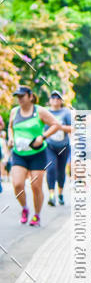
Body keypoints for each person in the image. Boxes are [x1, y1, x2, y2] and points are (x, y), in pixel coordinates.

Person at [7, 85, 60, 226]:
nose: (20, 100)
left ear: (30, 96)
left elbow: (56, 125)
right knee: (17, 184)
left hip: (37, 154)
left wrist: (42, 137)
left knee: (35, 186)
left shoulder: (39, 111)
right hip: (19, 153)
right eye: (17, 97)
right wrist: (10, 138)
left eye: (22, 96)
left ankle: (36, 215)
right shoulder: (14, 112)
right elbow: (10, 127)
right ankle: (24, 208)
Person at [45, 90, 72, 206]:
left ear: (61, 101)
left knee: (61, 171)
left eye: (58, 98)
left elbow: (73, 128)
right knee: (51, 168)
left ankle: (60, 193)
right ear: (50, 100)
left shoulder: (66, 112)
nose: (55, 99)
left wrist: (59, 127)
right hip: (49, 146)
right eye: (53, 97)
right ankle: (51, 195)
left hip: (63, 146)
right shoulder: (45, 112)